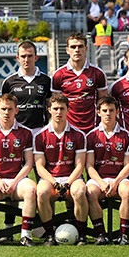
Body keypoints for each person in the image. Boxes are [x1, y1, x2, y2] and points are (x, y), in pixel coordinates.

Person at [0, 94, 38, 247]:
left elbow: (29, 162)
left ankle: (25, 235)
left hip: (17, 180)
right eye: (3, 109)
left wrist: (14, 182)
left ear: (16, 110)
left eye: (10, 109)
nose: (6, 112)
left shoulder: (26, 132)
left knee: (31, 189)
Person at [33, 94, 89, 246]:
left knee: (79, 191)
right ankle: (50, 234)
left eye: (62, 109)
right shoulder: (39, 136)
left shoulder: (79, 135)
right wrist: (55, 183)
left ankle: (82, 234)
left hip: (72, 177)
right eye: (55, 109)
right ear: (49, 110)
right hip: (50, 178)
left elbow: (79, 166)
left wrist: (68, 183)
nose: (59, 112)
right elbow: (39, 167)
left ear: (68, 110)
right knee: (42, 192)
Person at [85, 96, 129, 245]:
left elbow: (128, 166)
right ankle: (101, 234)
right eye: (104, 110)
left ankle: (124, 234)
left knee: (127, 191)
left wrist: (115, 182)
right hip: (98, 178)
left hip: (119, 178)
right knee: (91, 192)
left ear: (117, 112)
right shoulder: (91, 136)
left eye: (111, 110)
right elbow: (89, 166)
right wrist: (100, 183)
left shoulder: (126, 135)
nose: (108, 114)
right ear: (98, 112)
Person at [51, 33, 108, 133]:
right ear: (67, 50)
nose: (77, 50)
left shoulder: (98, 73)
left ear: (86, 49)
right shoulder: (58, 75)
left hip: (93, 128)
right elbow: (56, 105)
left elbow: (104, 103)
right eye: (73, 47)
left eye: (80, 46)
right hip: (68, 129)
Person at [0, 41, 52, 132]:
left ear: (36, 57)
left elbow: (51, 107)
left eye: (30, 56)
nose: (26, 59)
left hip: (40, 129)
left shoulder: (46, 80)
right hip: (16, 130)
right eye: (23, 56)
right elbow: (3, 107)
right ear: (18, 58)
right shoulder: (9, 82)